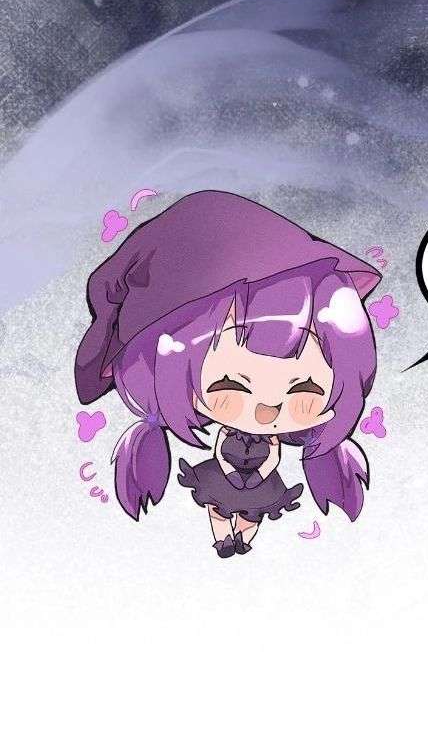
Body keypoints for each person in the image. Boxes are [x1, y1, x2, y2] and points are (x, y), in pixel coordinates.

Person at [75, 193, 381, 552]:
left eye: (305, 391)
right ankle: (224, 539)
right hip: (227, 480)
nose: (267, 411)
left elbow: (271, 456)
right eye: (232, 385)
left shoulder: (272, 440)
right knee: (220, 505)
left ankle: (241, 539)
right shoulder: (230, 435)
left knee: (250, 511)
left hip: (256, 486)